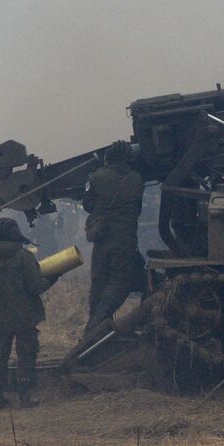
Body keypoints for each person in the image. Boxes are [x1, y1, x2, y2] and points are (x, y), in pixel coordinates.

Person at [0, 218, 60, 409]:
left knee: (1, 354)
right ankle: (25, 396)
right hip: (24, 317)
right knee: (26, 355)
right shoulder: (24, 257)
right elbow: (35, 287)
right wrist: (52, 278)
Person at [82, 140, 145, 334]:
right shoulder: (137, 179)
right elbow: (138, 209)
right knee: (119, 282)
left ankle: (93, 327)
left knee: (99, 283)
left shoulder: (97, 177)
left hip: (102, 240)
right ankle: (97, 327)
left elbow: (87, 204)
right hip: (125, 241)